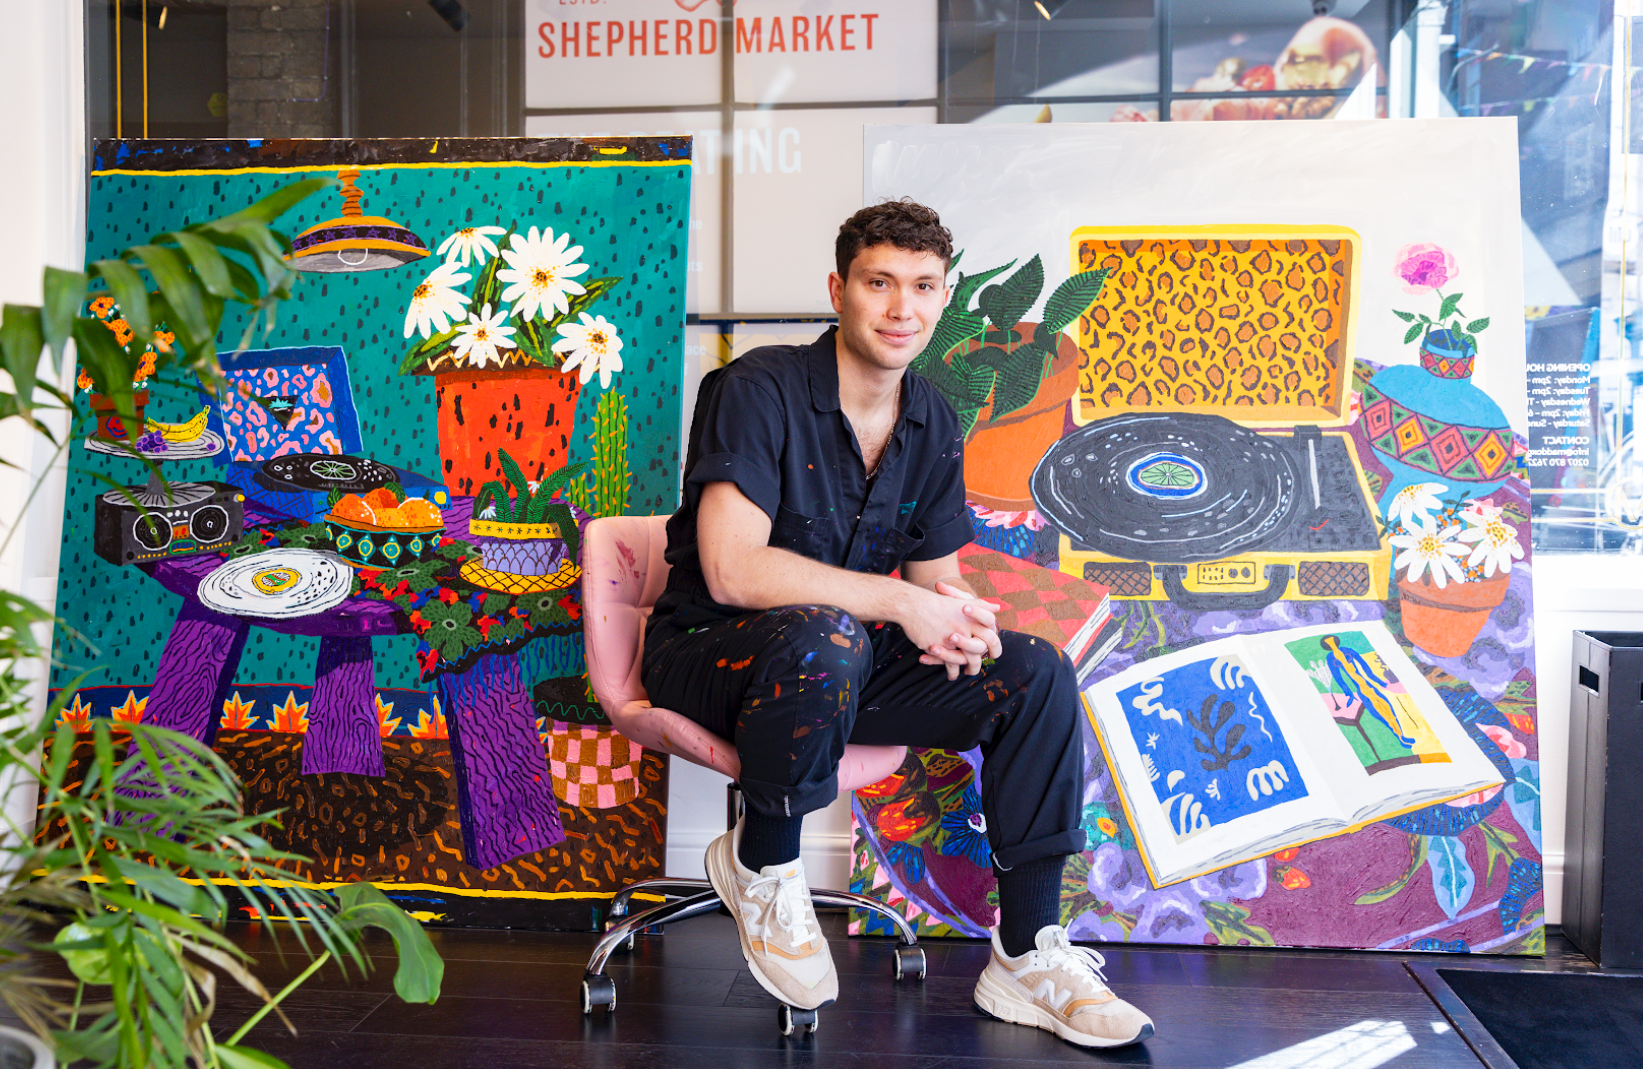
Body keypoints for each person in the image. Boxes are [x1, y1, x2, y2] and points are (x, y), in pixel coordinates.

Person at [641, 199, 1154, 1049]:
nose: (900, 308)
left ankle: (1026, 950)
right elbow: (732, 570)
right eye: (879, 283)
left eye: (921, 286)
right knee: (828, 632)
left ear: (944, 298)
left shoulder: (932, 420)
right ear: (838, 290)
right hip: (709, 653)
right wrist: (899, 603)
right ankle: (764, 860)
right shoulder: (754, 389)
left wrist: (954, 621)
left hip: (829, 662)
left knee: (1034, 672)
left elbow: (932, 579)